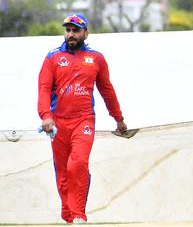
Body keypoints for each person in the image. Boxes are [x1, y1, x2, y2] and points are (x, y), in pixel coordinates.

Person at [37, 13, 128, 224]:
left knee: (76, 164)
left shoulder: (96, 58)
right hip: (57, 124)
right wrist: (46, 116)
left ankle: (79, 215)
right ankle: (69, 215)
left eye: (76, 30)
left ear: (86, 33)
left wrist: (119, 118)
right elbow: (42, 90)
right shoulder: (52, 57)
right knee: (62, 173)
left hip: (84, 120)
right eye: (68, 30)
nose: (71, 34)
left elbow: (107, 90)